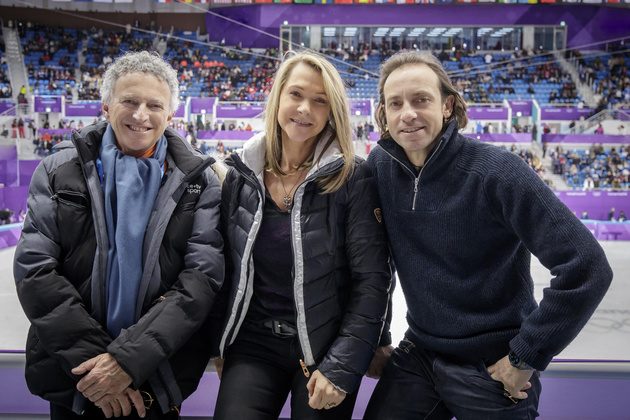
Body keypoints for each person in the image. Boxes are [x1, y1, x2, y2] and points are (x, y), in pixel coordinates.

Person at [363, 51, 613, 420]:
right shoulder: (381, 167)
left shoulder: (498, 173)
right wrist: (380, 335)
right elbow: (378, 262)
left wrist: (525, 355)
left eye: (421, 100)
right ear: (383, 113)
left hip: (493, 362)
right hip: (419, 350)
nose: (408, 113)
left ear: (447, 105)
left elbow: (587, 267)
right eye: (395, 103)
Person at [14, 51, 226, 420]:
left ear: (171, 114)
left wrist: (129, 363)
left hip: (156, 378)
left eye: (154, 104)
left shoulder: (200, 180)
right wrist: (97, 365)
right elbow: (34, 268)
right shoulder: (58, 168)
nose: (140, 114)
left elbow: (201, 280)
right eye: (129, 101)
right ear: (107, 107)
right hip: (76, 376)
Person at [213, 51, 391, 420]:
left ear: (332, 112)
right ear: (278, 96)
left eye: (320, 100)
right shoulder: (242, 174)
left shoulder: (353, 178)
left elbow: (371, 281)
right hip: (254, 345)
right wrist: (218, 341)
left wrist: (341, 367)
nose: (305, 109)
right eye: (296, 94)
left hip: (326, 350)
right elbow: (226, 269)